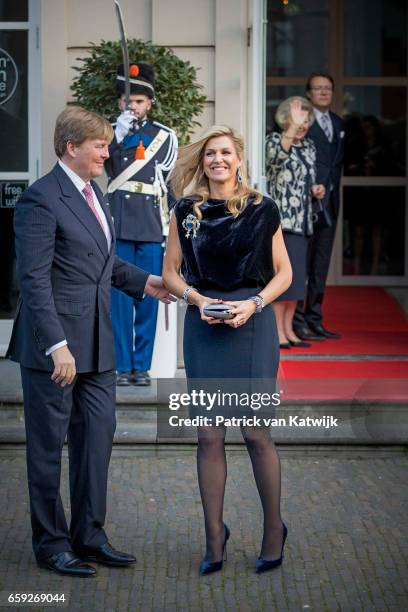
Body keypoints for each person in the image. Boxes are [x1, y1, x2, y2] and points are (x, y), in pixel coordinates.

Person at [6, 106, 174, 577]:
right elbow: (34, 280)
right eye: (99, 145)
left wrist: (147, 282)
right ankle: (51, 544)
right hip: (54, 349)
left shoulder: (95, 194)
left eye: (106, 144)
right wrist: (55, 344)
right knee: (46, 448)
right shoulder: (41, 199)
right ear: (70, 148)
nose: (107, 151)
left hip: (99, 346)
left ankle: (90, 536)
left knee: (96, 442)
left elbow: (104, 265)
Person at [163, 125, 292, 574]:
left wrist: (254, 303)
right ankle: (214, 535)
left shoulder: (262, 208)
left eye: (225, 153)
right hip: (204, 326)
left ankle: (274, 529)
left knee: (256, 433)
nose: (218, 159)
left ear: (239, 160)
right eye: (210, 154)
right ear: (203, 162)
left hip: (252, 326)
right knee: (209, 435)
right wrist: (197, 300)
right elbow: (172, 273)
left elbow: (284, 274)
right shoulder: (185, 210)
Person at [105, 62, 178, 387]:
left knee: (150, 296)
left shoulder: (163, 136)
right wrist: (117, 135)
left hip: (150, 226)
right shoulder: (109, 134)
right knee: (119, 300)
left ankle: (141, 366)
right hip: (119, 222)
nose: (131, 105)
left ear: (149, 103)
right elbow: (102, 170)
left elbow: (171, 186)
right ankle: (122, 366)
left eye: (138, 100)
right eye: (127, 100)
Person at [265, 97, 325, 349]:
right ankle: (277, 332)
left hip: (303, 222)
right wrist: (291, 129)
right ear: (284, 119)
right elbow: (277, 160)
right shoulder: (274, 141)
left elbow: (303, 177)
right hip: (284, 221)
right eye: (298, 119)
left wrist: (315, 189)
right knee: (284, 279)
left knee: (298, 282)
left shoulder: (309, 146)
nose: (302, 124)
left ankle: (288, 329)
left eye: (306, 120)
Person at [294, 72, 345, 341]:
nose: (324, 92)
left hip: (330, 203)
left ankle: (315, 318)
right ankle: (298, 320)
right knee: (303, 263)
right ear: (309, 93)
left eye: (328, 88)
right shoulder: (302, 121)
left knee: (321, 265)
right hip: (306, 203)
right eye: (318, 88)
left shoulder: (338, 122)